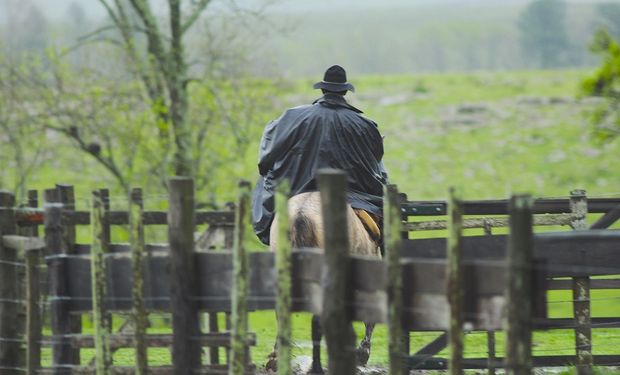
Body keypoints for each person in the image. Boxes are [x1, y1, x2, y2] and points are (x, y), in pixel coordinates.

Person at [251, 64, 388, 246]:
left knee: (264, 182)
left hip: (296, 188)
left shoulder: (292, 117)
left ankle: (268, 233)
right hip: (352, 195)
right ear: (345, 92)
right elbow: (376, 169)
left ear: (322, 89)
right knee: (385, 218)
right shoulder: (365, 126)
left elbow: (265, 159)